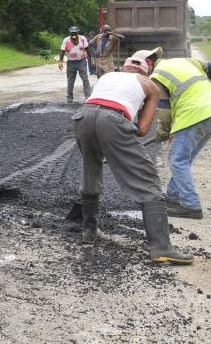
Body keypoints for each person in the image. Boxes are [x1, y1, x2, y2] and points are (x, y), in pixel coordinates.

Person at [72, 54, 192, 264]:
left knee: (90, 172)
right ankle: (161, 247)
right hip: (114, 120)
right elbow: (143, 130)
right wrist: (122, 133)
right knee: (147, 180)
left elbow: (98, 104)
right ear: (146, 72)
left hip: (83, 117)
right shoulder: (150, 86)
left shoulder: (107, 76)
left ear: (124, 68)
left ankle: (89, 232)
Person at [149, 52, 211, 219]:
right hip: (207, 111)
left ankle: (191, 205)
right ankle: (173, 197)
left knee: (177, 160)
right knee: (185, 158)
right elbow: (210, 66)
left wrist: (163, 132)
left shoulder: (157, 75)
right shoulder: (185, 61)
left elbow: (163, 110)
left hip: (193, 114)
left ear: (149, 63)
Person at [58, 25, 91, 103]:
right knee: (70, 80)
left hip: (81, 62)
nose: (74, 35)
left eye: (75, 33)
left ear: (78, 32)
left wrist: (91, 59)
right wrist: (60, 61)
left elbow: (87, 49)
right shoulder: (66, 40)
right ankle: (70, 98)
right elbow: (62, 51)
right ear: (70, 33)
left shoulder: (82, 39)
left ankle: (88, 97)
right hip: (71, 63)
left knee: (85, 79)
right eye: (72, 33)